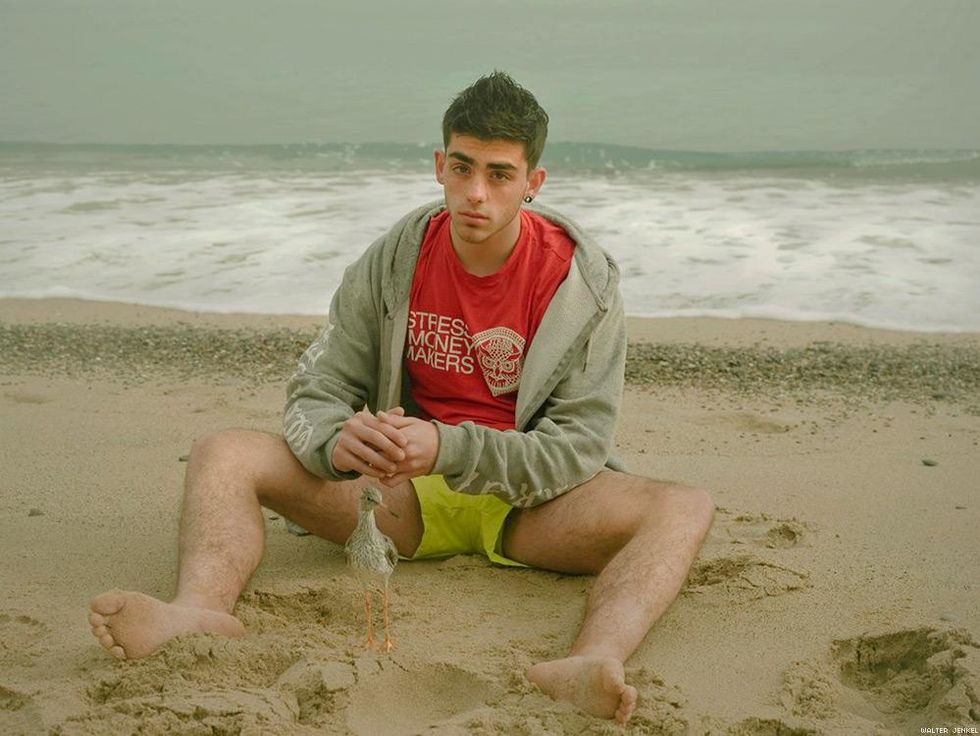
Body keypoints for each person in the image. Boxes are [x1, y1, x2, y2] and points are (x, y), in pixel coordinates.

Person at [88, 71, 714, 724]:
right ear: (440, 165)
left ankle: (590, 659)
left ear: (535, 182)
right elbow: (314, 391)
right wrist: (336, 439)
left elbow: (579, 449)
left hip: (529, 508)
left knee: (683, 506)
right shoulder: (395, 259)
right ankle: (199, 611)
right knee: (224, 452)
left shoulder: (583, 282)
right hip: (399, 497)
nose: (476, 194)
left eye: (500, 175)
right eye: (463, 168)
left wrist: (447, 444)